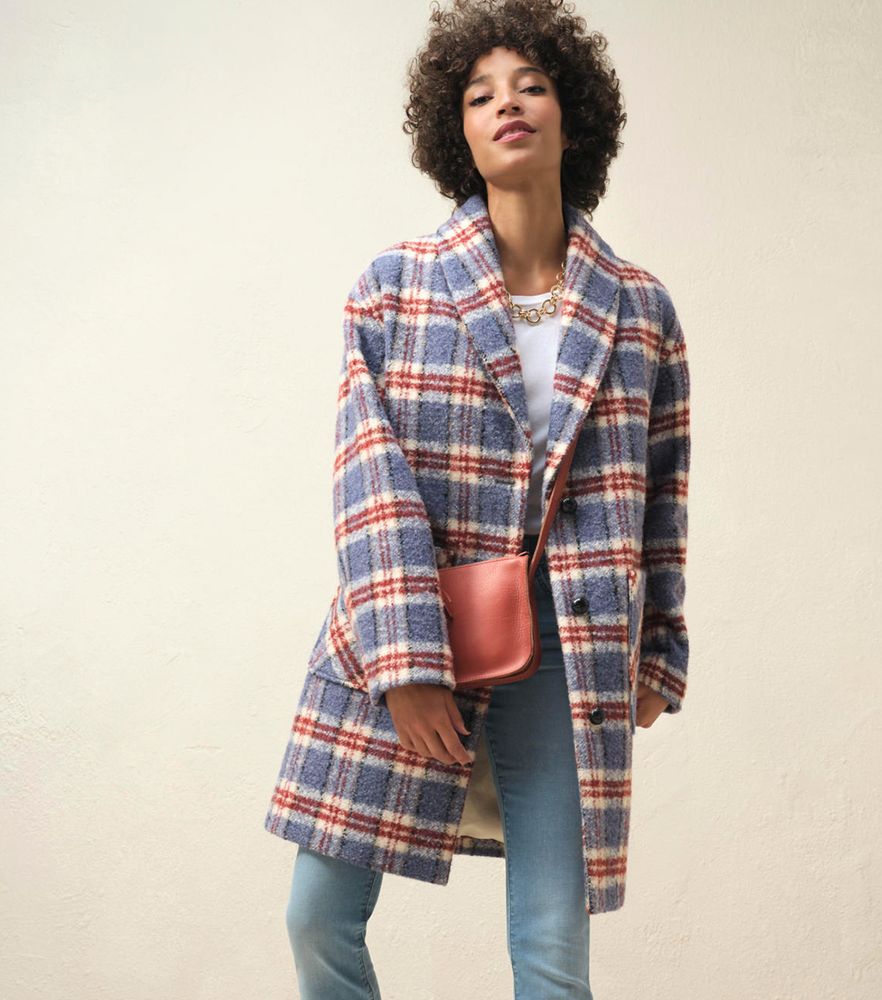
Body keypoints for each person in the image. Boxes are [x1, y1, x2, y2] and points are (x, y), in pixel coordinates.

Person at [265, 1, 692, 997]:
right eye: (479, 94)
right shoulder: (393, 287)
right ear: (454, 131)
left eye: (532, 86)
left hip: (568, 639)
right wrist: (405, 664)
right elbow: (368, 480)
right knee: (316, 918)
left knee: (551, 952)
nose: (507, 104)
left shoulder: (639, 308)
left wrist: (660, 651)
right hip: (406, 619)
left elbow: (663, 491)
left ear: (572, 119)